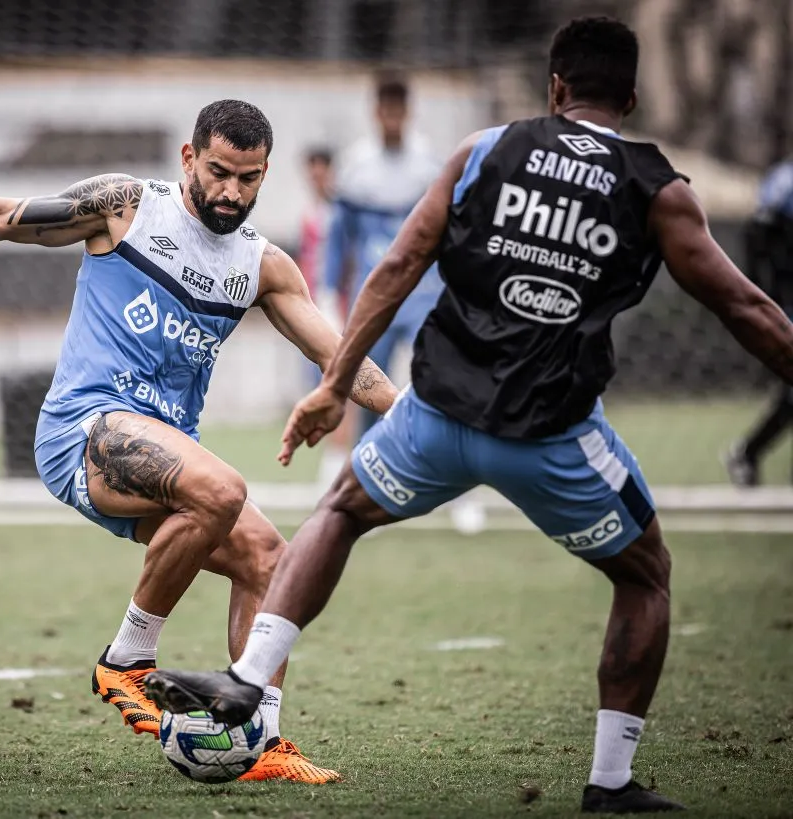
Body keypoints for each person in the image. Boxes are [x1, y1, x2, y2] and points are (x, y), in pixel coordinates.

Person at [146, 17, 793, 812]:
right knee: (646, 574)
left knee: (341, 510)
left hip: (436, 417)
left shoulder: (484, 151)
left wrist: (334, 384)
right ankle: (610, 781)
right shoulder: (657, 187)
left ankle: (249, 677)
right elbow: (745, 307)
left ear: (554, 88)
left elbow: (397, 265)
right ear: (631, 98)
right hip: (552, 437)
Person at [0, 99, 399, 783]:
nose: (231, 191)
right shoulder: (125, 207)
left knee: (269, 559)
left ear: (265, 175)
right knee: (223, 489)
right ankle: (128, 658)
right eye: (218, 172)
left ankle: (261, 739)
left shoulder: (264, 266)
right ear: (188, 158)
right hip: (83, 429)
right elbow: (2, 218)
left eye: (248, 179)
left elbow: (342, 360)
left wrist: (410, 413)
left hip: (164, 453)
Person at [317, 75, 444, 443]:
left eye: (397, 112)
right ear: (376, 113)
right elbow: (340, 237)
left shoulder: (428, 166)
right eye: (386, 111)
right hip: (375, 294)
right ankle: (365, 461)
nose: (392, 120)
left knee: (437, 380)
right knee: (369, 387)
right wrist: (329, 291)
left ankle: (439, 465)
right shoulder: (357, 167)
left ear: (407, 112)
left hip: (422, 293)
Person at [724, 156, 793, 486]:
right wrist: (760, 295)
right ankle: (747, 453)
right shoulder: (784, 182)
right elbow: (758, 234)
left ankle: (748, 453)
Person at [295, 147, 355, 486]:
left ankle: (337, 458)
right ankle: (336, 454)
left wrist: (343, 303)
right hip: (313, 307)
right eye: (312, 174)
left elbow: (348, 262)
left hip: (338, 307)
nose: (316, 179)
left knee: (340, 382)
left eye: (321, 173)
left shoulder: (340, 213)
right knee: (320, 383)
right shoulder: (309, 214)